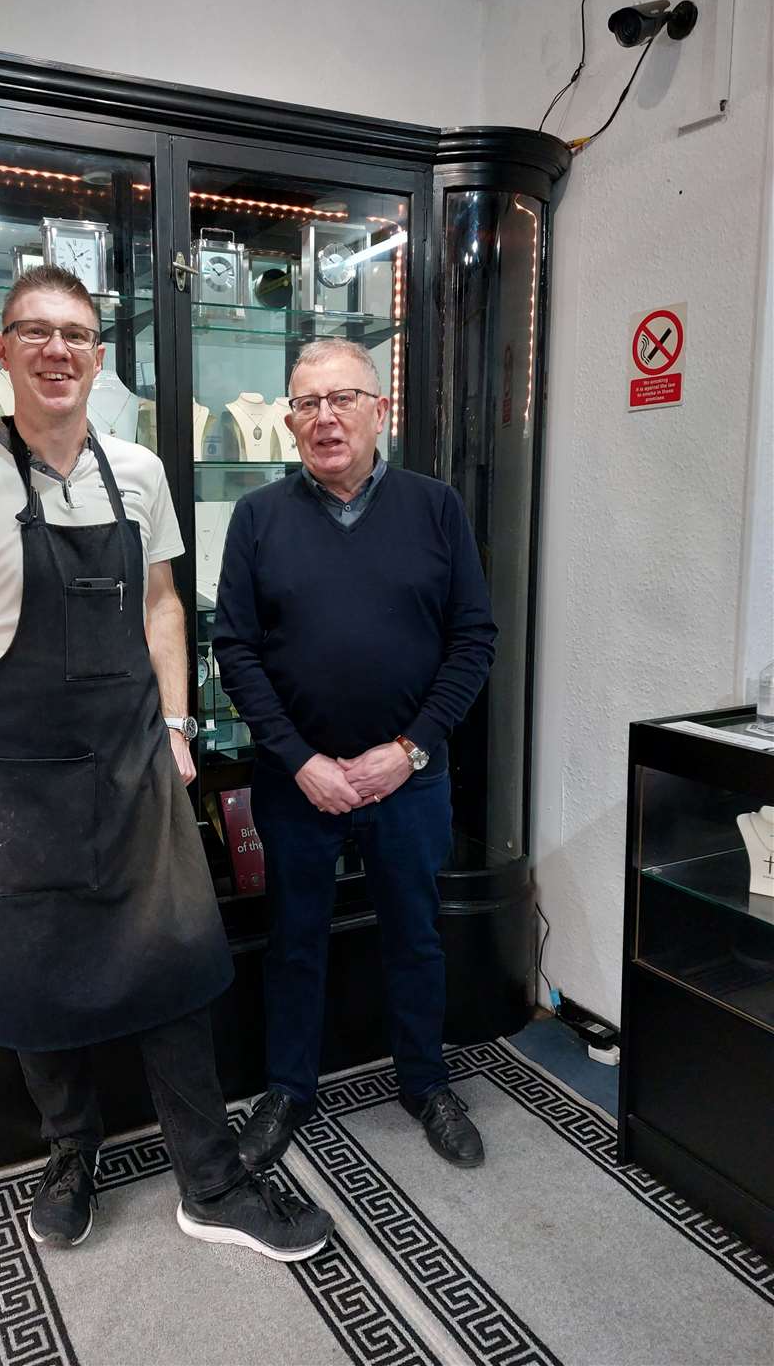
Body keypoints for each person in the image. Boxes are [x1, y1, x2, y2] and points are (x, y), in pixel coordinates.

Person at [0, 265, 331, 1261]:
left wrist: (177, 726)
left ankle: (211, 1181)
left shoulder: (140, 472)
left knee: (177, 969)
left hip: (134, 767)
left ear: (98, 355)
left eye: (77, 334)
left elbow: (163, 605)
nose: (58, 350)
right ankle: (68, 1157)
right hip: (13, 781)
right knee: (34, 981)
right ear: (3, 351)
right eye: (35, 332)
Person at [212, 339, 497, 1174]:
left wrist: (408, 751)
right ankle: (289, 1089)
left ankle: (426, 1082)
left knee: (415, 935)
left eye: (343, 399)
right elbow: (235, 650)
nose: (324, 417)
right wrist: (301, 761)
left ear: (382, 411)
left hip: (409, 780)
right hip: (295, 783)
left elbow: (473, 640)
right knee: (295, 939)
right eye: (306, 403)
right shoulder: (258, 517)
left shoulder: (435, 508)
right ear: (288, 419)